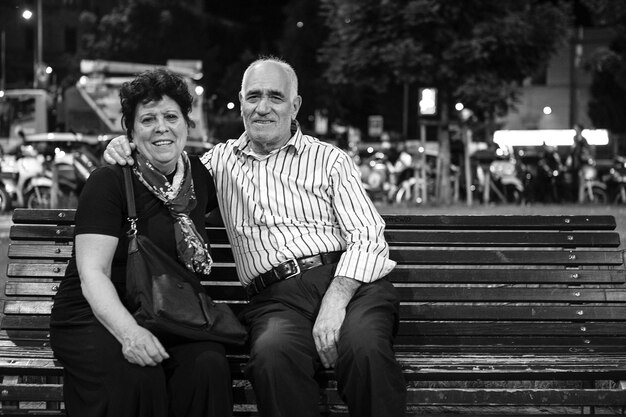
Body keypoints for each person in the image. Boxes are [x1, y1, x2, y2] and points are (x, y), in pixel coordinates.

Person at [104, 57, 407, 417]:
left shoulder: (329, 159)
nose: (263, 107)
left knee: (365, 350)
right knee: (271, 357)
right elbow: (164, 167)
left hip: (349, 284)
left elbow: (368, 236)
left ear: (294, 106)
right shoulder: (217, 163)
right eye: (254, 96)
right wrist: (121, 146)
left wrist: (335, 301)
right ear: (242, 102)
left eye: (275, 97)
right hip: (277, 300)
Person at [49, 68, 232, 417]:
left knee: (208, 366)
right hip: (96, 314)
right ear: (131, 131)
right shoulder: (109, 181)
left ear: (186, 124)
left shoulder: (199, 178)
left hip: (167, 312)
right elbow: (93, 273)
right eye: (147, 119)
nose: (161, 127)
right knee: (138, 375)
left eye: (171, 116)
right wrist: (130, 332)